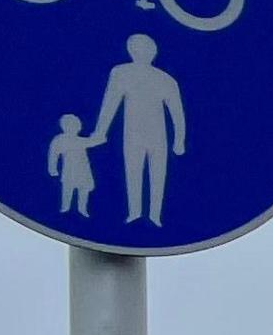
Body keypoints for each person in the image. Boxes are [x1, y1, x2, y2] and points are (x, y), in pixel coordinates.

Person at [94, 34, 186, 227]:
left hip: (158, 134)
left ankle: (155, 215)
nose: (141, 51)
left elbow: (177, 114)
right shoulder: (121, 73)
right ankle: (134, 212)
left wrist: (179, 140)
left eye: (146, 48)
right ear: (131, 51)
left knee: (158, 173)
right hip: (133, 133)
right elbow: (110, 104)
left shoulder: (165, 79)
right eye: (137, 48)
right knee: (133, 171)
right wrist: (100, 131)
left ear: (153, 52)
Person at [46, 112, 103, 216]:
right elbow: (53, 155)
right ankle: (65, 207)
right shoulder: (60, 140)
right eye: (72, 125)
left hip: (82, 169)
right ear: (65, 126)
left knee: (84, 189)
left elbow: (91, 142)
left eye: (76, 125)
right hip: (70, 169)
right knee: (68, 188)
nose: (75, 127)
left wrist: (99, 138)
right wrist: (52, 168)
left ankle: (82, 209)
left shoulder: (78, 139)